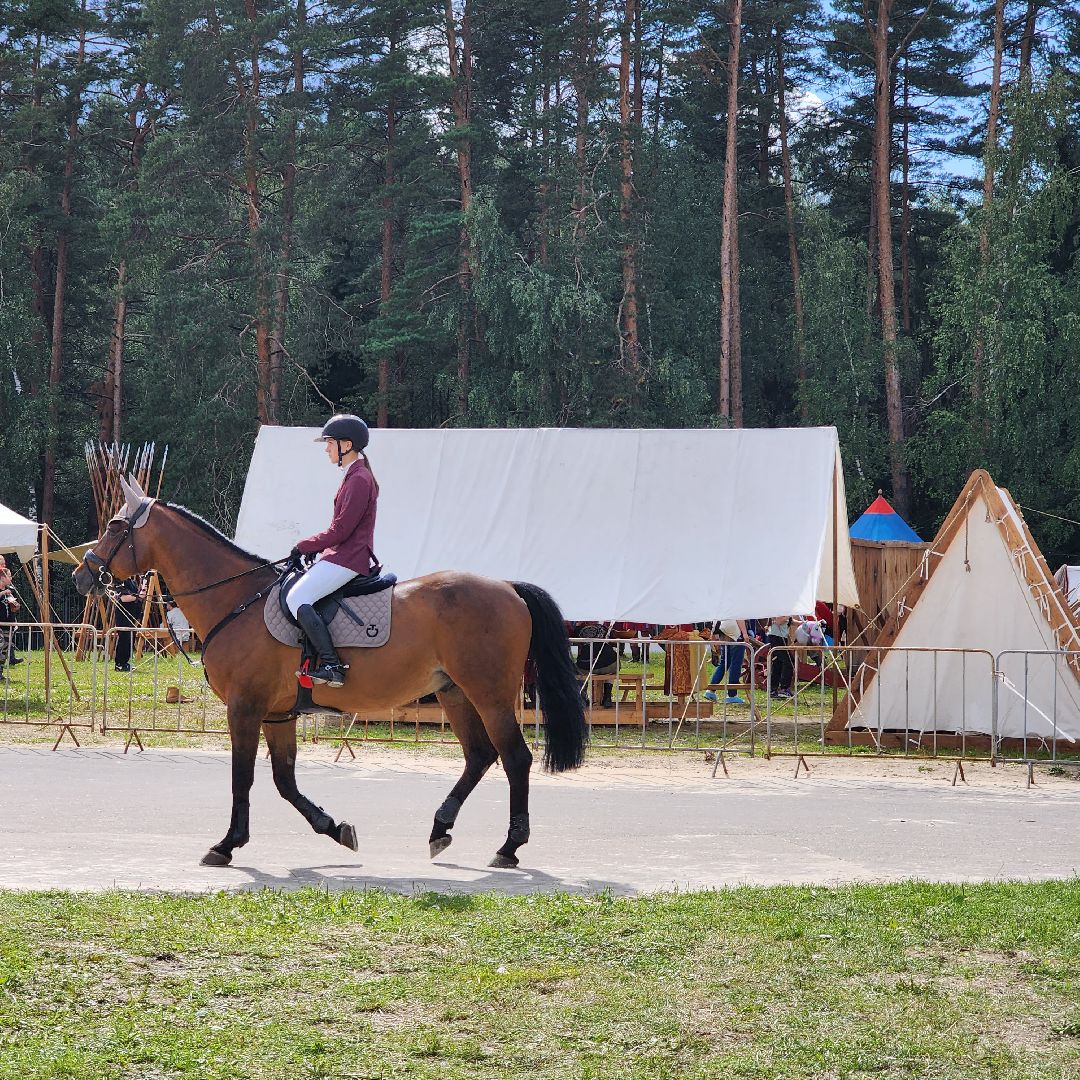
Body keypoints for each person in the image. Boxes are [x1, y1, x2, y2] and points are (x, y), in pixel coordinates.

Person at [287, 414, 379, 687]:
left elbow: (340, 531)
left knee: (297, 597)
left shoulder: (359, 479)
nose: (326, 449)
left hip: (349, 558)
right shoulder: (352, 475)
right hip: (341, 554)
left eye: (329, 443)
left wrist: (304, 545)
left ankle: (331, 665)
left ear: (347, 445)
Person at [703, 619, 758, 706]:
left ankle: (710, 690)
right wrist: (744, 633)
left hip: (723, 631)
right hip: (735, 633)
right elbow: (739, 617)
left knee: (724, 663)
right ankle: (732, 694)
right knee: (735, 665)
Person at [111, 576, 143, 672]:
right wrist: (138, 596)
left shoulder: (132, 582)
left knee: (130, 639)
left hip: (132, 614)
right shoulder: (119, 581)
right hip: (123, 615)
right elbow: (124, 598)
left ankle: (125, 662)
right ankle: (119, 664)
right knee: (124, 638)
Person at [0, 554, 23, 673]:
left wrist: (15, 606)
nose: (11, 578)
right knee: (1, 644)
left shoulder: (10, 591)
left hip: (8, 623)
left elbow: (14, 604)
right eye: (9, 576)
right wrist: (3, 593)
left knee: (5, 649)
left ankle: (0, 673)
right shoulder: (4, 591)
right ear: (2, 578)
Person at [765, 615, 794, 699]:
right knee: (789, 661)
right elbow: (778, 621)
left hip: (780, 637)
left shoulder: (785, 610)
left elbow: (790, 621)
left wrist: (803, 623)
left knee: (778, 664)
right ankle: (784, 689)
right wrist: (788, 616)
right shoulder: (781, 609)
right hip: (776, 638)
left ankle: (773, 690)